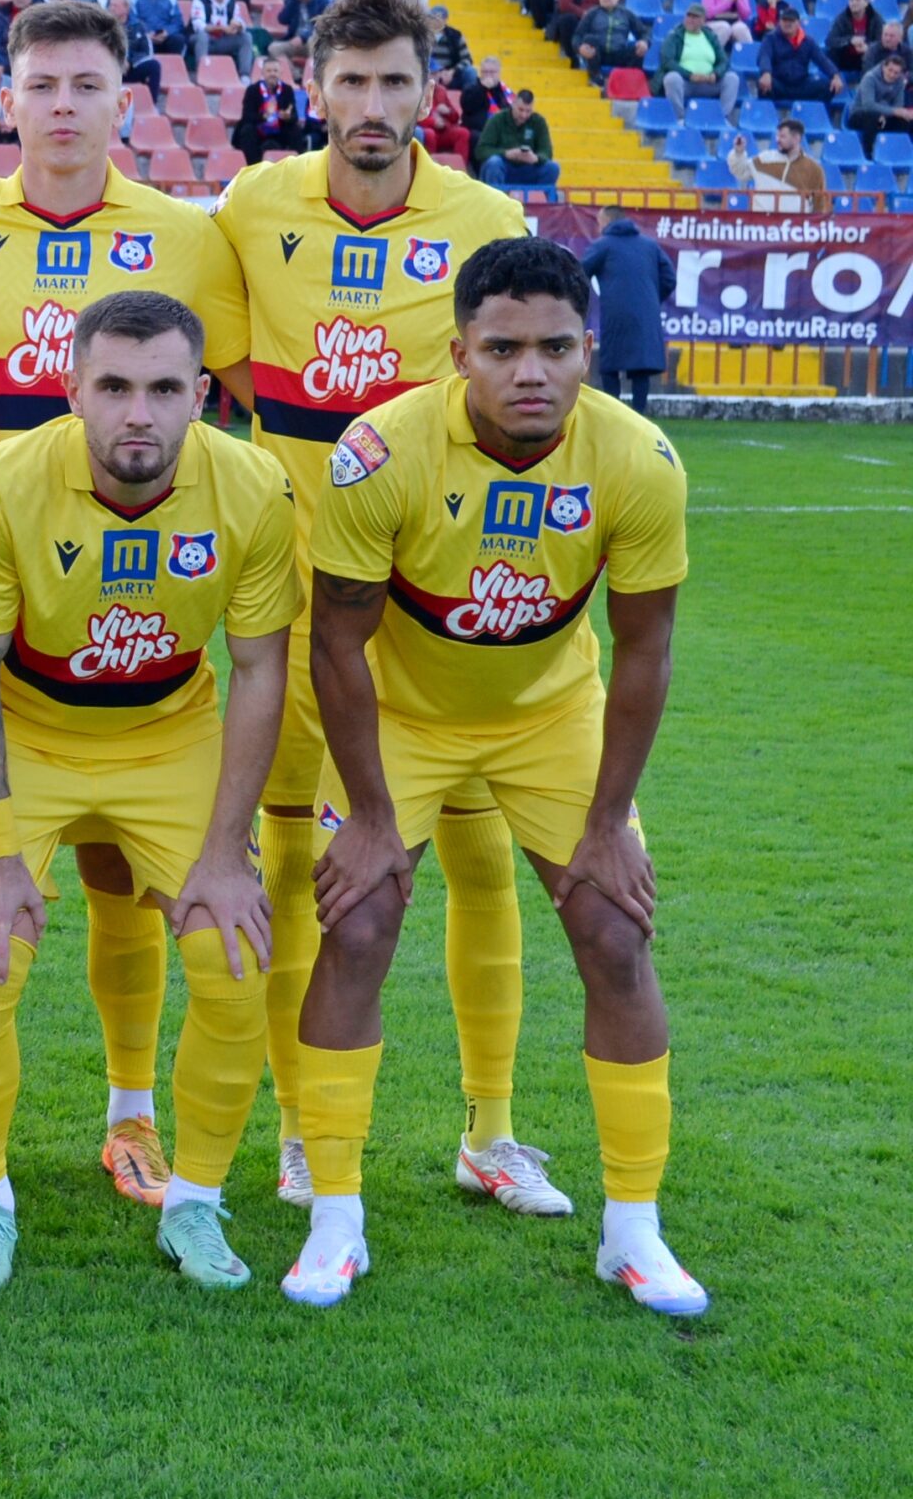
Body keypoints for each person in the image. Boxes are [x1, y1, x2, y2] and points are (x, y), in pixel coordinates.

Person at [287, 237, 704, 1318]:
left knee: (615, 927)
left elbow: (645, 649)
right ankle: (335, 1216)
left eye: (557, 347)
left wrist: (609, 821)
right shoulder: (379, 452)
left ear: (588, 350)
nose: (532, 370)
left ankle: (634, 1229)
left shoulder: (638, 458)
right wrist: (372, 815)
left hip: (547, 715)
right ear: (457, 351)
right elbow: (336, 641)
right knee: (361, 917)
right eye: (504, 347)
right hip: (405, 715)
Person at [0, 0, 253, 1198]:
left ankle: (132, 1111)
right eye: (39, 83)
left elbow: (230, 398)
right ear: (7, 98)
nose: (61, 106)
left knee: (125, 877)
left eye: (85, 85)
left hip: (143, 586)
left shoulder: (186, 238)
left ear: (122, 102)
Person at [212, 0, 557, 1217]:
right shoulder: (255, 204)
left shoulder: (483, 215)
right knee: (302, 860)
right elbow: (220, 371)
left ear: (428, 92)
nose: (370, 107)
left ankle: (493, 1131)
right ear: (314, 87)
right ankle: (307, 1130)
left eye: (392, 83)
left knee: (480, 857)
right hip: (303, 606)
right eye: (349, 82)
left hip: (445, 605)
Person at [0, 290, 294, 1291]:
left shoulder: (255, 489)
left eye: (165, 388)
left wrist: (225, 851)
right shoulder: (2, 486)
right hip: (29, 726)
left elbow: (260, 667)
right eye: (115, 387)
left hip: (166, 729)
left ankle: (197, 1205)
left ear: (202, 396)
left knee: (230, 952)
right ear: (71, 390)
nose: (139, 413)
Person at [580, 209, 670, 414]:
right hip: (646, 314)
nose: (598, 227)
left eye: (599, 222)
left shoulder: (603, 245)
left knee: (611, 365)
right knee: (641, 368)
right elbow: (669, 278)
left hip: (615, 314)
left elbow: (579, 271)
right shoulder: (650, 245)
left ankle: (614, 414)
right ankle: (640, 414)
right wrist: (652, 301)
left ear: (608, 221)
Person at [658, 4, 739, 124]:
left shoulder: (710, 36)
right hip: (686, 83)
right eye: (688, 16)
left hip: (709, 82)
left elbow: (723, 61)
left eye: (695, 17)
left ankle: (722, 118)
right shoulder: (675, 35)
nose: (690, 20)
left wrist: (715, 75)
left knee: (732, 78)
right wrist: (689, 75)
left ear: (703, 21)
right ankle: (679, 118)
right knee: (671, 78)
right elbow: (667, 61)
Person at [726, 118, 827, 211]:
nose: (777, 140)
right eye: (777, 136)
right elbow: (740, 171)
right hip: (762, 225)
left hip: (795, 227)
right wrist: (738, 153)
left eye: (782, 136)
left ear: (796, 138)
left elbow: (820, 204)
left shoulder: (814, 169)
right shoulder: (764, 159)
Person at [476, 87, 559, 191]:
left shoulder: (539, 122)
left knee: (552, 167)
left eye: (528, 111)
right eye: (520, 110)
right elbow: (481, 151)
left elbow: (547, 152)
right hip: (503, 167)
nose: (524, 115)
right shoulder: (497, 119)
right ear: (513, 104)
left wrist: (535, 158)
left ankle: (541, 204)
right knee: (494, 163)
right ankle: (495, 202)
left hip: (528, 168)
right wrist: (506, 154)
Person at [849, 50, 913, 156]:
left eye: (896, 72)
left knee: (904, 120)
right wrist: (889, 112)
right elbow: (868, 105)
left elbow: (898, 106)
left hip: (885, 117)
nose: (892, 75)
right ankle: (868, 153)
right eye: (890, 70)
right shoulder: (870, 78)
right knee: (874, 118)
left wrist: (888, 114)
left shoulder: (900, 82)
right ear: (884, 67)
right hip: (861, 115)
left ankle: (894, 152)